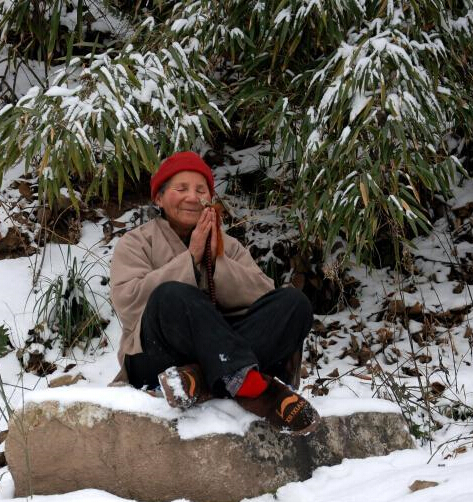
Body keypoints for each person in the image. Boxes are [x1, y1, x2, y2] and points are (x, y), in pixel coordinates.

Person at [109, 151, 319, 433]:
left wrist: (214, 259)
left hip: (215, 353)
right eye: (181, 189)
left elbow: (262, 296)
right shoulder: (136, 242)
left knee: (294, 303)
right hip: (156, 359)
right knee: (170, 294)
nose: (192, 197)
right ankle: (253, 387)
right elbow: (129, 302)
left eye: (200, 190)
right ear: (158, 198)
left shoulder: (227, 245)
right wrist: (190, 259)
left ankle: (200, 378)